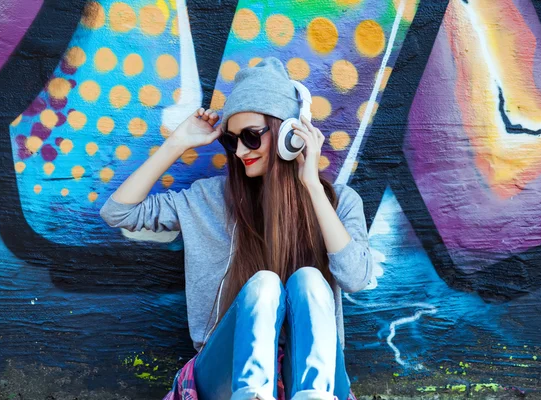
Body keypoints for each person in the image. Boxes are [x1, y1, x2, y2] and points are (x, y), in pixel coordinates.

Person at [99, 57, 373, 400]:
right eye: (232, 141)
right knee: (264, 285)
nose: (241, 150)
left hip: (313, 378)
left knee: (309, 280)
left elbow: (356, 277)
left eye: (251, 137)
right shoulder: (208, 200)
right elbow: (119, 212)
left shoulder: (339, 202)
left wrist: (314, 189)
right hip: (227, 376)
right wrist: (177, 142)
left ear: (289, 135)